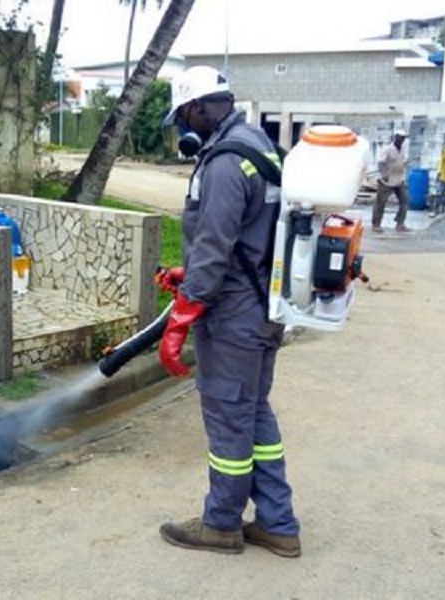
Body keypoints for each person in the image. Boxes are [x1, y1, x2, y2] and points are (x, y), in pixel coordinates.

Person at [154, 65, 300, 557]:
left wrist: (179, 322)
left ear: (197, 107)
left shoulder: (221, 163)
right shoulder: (260, 147)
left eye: (183, 118)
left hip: (234, 317)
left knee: (228, 418)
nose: (184, 129)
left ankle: (220, 524)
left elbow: (216, 249)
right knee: (254, 414)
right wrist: (187, 271)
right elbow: (245, 239)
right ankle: (278, 523)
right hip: (265, 307)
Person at [372, 130, 410, 233]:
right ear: (395, 137)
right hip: (387, 180)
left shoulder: (402, 149)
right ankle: (376, 224)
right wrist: (384, 174)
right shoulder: (388, 149)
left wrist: (404, 164)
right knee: (381, 202)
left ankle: (400, 223)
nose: (402, 140)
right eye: (400, 137)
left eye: (403, 138)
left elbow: (401, 161)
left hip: (399, 179)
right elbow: (381, 162)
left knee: (405, 201)